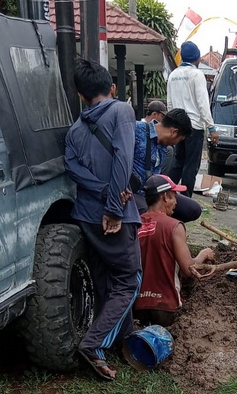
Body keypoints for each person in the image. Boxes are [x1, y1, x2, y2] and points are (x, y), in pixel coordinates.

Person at [64, 59, 141, 380]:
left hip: (85, 215)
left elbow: (73, 170)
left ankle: (119, 338)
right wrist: (113, 206)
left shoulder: (73, 131)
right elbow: (124, 157)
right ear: (111, 88)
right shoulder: (121, 111)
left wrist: (104, 192)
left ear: (80, 95)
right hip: (113, 215)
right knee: (129, 280)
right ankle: (93, 343)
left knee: (104, 280)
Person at [134, 174, 214, 326]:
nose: (176, 202)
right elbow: (189, 270)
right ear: (165, 197)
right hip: (165, 308)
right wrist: (203, 254)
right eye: (174, 196)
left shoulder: (135, 224)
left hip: (136, 307)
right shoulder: (174, 226)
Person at [133, 103, 202, 222]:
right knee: (146, 212)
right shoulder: (136, 130)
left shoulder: (164, 147)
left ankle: (165, 229)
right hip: (134, 193)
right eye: (179, 140)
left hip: (154, 194)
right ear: (174, 132)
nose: (176, 144)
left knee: (192, 209)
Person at [167, 41, 218, 197]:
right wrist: (211, 128)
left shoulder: (173, 74)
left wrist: (171, 124)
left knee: (177, 163)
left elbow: (169, 103)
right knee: (191, 166)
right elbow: (203, 103)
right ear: (197, 58)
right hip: (193, 127)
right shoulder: (197, 75)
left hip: (177, 126)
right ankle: (185, 200)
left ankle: (168, 195)